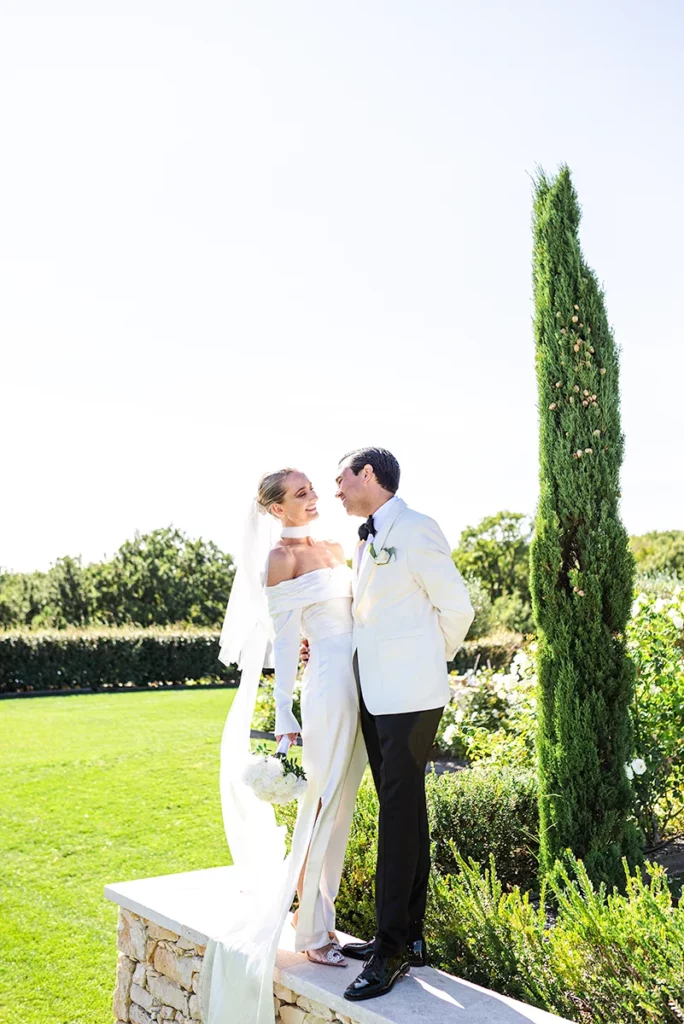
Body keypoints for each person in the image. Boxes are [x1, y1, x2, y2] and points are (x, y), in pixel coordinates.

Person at [199, 469, 367, 1024]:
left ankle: (322, 917)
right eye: (301, 494)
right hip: (327, 688)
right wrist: (285, 718)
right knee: (320, 806)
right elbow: (285, 642)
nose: (314, 498)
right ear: (276, 509)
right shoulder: (281, 560)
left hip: (365, 680)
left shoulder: (338, 544)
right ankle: (312, 931)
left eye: (313, 489)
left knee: (344, 806)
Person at [335, 446, 474, 1003]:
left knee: (395, 813)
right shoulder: (365, 537)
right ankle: (409, 937)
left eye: (341, 477)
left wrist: (424, 661)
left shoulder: (417, 529)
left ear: (368, 475)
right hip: (374, 694)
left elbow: (456, 608)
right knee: (405, 807)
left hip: (411, 696)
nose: (337, 488)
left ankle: (390, 949)